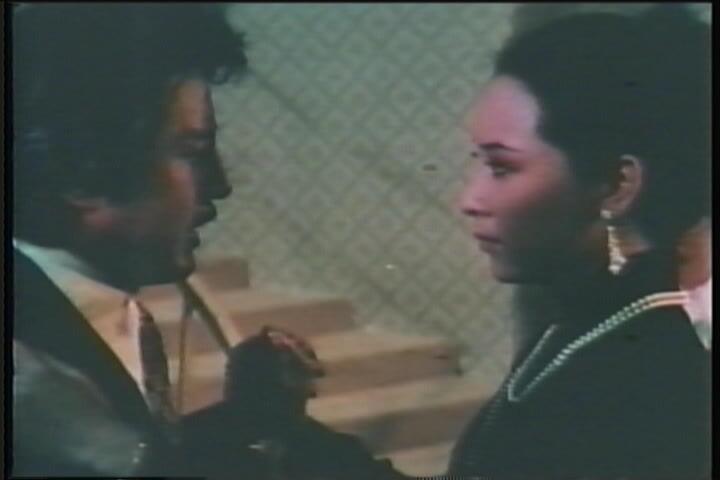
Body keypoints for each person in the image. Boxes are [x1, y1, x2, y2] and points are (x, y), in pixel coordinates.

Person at [11, 5, 402, 479]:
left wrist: (243, 418)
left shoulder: (97, 304)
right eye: (192, 153)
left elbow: (141, 450)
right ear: (78, 171)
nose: (220, 185)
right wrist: (111, 450)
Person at [449, 5, 710, 479]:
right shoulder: (580, 330)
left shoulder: (642, 389)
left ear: (617, 185)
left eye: (501, 167)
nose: (469, 200)